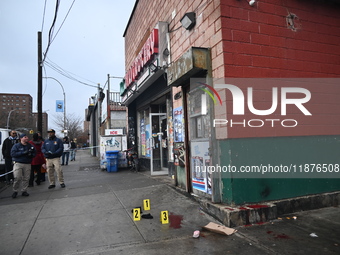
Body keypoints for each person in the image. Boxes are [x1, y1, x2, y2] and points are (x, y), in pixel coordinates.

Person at [10, 134, 36, 198]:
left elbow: (34, 153)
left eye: (27, 137)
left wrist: (31, 155)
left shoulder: (30, 146)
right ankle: (15, 190)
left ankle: (24, 190)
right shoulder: (16, 146)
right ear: (21, 138)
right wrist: (23, 152)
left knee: (26, 178)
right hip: (18, 163)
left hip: (27, 163)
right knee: (17, 177)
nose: (27, 138)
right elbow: (13, 154)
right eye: (25, 137)